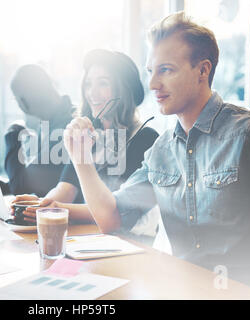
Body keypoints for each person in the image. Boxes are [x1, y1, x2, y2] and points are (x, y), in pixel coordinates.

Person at [61, 12, 250, 296]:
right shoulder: (161, 151)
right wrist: (81, 160)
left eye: (166, 70)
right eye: (151, 71)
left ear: (203, 71)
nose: (152, 85)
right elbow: (111, 217)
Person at [14, 49, 159, 224]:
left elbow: (114, 211)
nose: (93, 93)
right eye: (89, 84)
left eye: (103, 83)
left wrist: (54, 209)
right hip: (89, 238)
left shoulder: (145, 139)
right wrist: (40, 204)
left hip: (130, 243)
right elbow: (65, 190)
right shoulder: (89, 137)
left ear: (124, 90)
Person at [2, 64, 75, 197]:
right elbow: (39, 179)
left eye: (17, 99)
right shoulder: (53, 121)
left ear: (23, 102)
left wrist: (12, 135)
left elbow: (20, 187)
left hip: (62, 215)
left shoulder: (64, 129)